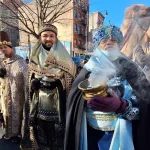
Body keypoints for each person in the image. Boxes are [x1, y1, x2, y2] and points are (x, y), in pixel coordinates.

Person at [64, 24, 150, 150]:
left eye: (113, 40)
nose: (109, 42)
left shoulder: (132, 68)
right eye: (104, 40)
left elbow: (145, 102)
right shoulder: (87, 69)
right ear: (97, 45)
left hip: (121, 133)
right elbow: (75, 102)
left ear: (120, 45)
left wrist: (123, 106)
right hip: (91, 135)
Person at [21, 23, 76, 150]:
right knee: (41, 133)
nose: (48, 38)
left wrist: (59, 83)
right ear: (40, 38)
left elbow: (72, 78)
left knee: (58, 135)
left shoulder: (65, 57)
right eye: (45, 35)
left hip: (59, 106)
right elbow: (29, 78)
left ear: (56, 38)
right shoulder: (34, 57)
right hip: (39, 104)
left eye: (52, 36)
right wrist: (33, 84)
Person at [0, 31, 28, 143]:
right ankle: (9, 134)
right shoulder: (2, 62)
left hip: (17, 93)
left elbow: (25, 77)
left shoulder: (20, 61)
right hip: (5, 94)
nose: (3, 50)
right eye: (1, 48)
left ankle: (17, 135)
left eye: (5, 47)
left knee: (17, 113)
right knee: (6, 112)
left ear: (11, 47)